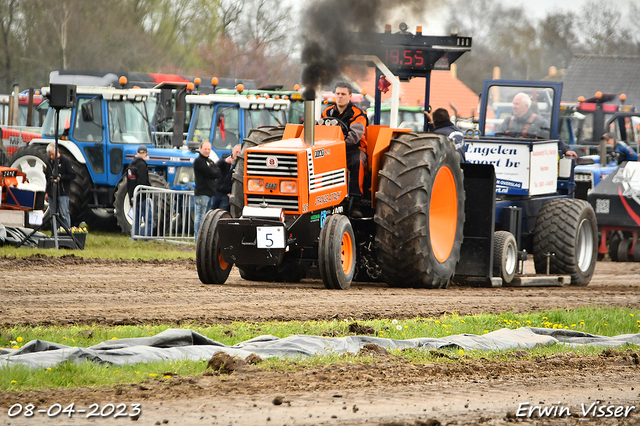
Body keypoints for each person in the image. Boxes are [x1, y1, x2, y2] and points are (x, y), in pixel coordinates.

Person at [320, 81, 368, 216]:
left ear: (350, 96)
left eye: (343, 94)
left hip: (352, 148)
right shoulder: (326, 112)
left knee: (356, 160)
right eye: (338, 93)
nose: (340, 96)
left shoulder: (358, 114)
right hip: (331, 148)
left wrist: (337, 144)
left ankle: (356, 201)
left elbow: (354, 137)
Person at [194, 141, 221, 239]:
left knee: (207, 217)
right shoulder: (199, 161)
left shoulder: (210, 161)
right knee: (200, 215)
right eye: (205, 149)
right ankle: (198, 238)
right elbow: (210, 172)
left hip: (210, 193)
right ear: (200, 149)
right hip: (202, 193)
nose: (207, 151)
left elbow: (217, 172)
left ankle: (205, 238)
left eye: (209, 149)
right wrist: (212, 172)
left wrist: (213, 172)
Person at [45, 143, 76, 229]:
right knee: (53, 214)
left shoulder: (65, 161)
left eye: (52, 154)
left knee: (64, 213)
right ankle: (55, 232)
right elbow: (47, 178)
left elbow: (72, 175)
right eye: (50, 155)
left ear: (57, 152)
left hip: (62, 192)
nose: (51, 157)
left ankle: (67, 231)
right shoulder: (49, 162)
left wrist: (61, 178)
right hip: (52, 192)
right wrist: (47, 192)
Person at [127, 145, 151, 236]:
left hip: (134, 196)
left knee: (136, 220)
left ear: (137, 153)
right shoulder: (142, 165)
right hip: (142, 197)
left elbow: (129, 184)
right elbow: (143, 181)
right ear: (146, 154)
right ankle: (145, 238)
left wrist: (130, 199)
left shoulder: (131, 165)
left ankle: (135, 236)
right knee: (149, 220)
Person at [212, 144, 241, 212]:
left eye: (240, 153)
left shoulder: (240, 165)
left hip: (226, 194)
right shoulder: (225, 158)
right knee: (212, 210)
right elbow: (215, 167)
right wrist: (224, 161)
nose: (238, 154)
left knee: (222, 212)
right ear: (232, 151)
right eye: (236, 152)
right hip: (217, 191)